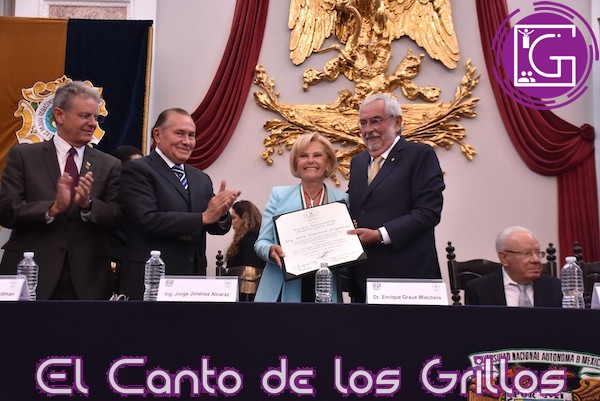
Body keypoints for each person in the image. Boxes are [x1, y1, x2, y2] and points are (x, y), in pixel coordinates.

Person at [0, 81, 122, 300]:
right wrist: (52, 208)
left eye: (96, 117)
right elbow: (6, 211)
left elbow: (118, 216)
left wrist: (89, 205)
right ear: (59, 115)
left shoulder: (109, 164)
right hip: (30, 275)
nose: (93, 123)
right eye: (85, 116)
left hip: (88, 282)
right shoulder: (24, 156)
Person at [119, 108, 240, 299]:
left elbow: (216, 227)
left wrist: (221, 212)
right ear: (157, 135)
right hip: (151, 282)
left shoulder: (200, 178)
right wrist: (203, 217)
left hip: (192, 281)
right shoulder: (137, 170)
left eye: (191, 135)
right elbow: (147, 220)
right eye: (179, 133)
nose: (187, 141)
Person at [347, 93, 445, 303]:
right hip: (363, 280)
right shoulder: (358, 162)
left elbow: (428, 212)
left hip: (409, 280)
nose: (368, 129)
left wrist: (379, 235)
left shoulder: (420, 155)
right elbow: (356, 208)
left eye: (376, 121)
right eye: (363, 123)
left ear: (397, 123)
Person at [254, 132, 348, 302]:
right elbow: (261, 243)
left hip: (325, 288)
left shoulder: (342, 200)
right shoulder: (278, 196)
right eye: (304, 156)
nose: (310, 160)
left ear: (328, 162)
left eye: (317, 155)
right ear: (296, 163)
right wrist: (271, 250)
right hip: (282, 290)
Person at [464, 226, 562, 307]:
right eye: (527, 253)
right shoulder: (479, 290)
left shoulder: (557, 288)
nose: (536, 260)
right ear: (504, 258)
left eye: (538, 253)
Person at [226, 200, 265, 269]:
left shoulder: (250, 239)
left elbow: (251, 270)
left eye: (233, 218)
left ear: (244, 218)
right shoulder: (256, 237)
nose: (231, 222)